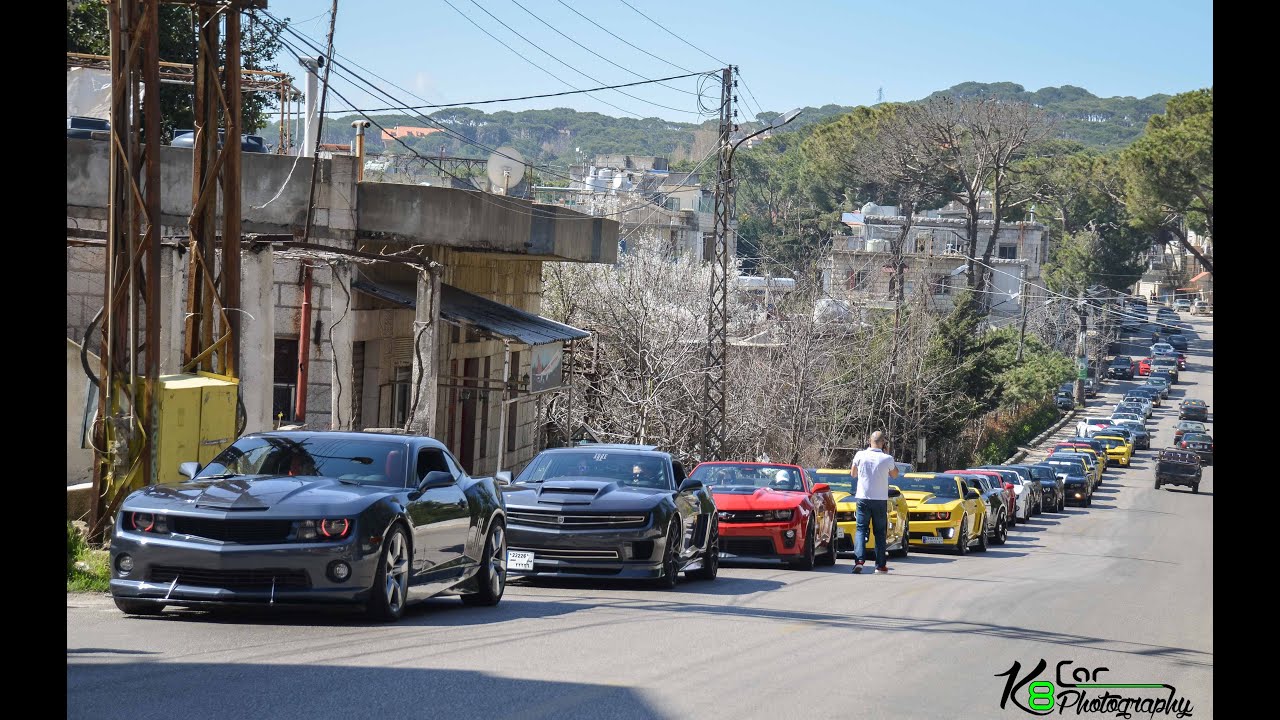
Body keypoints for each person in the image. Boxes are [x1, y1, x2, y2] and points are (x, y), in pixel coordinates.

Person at [849, 431, 899, 574]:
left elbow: (853, 474)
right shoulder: (887, 458)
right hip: (880, 500)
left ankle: (859, 561)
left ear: (869, 441)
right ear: (883, 443)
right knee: (879, 532)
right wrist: (888, 456)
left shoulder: (860, 455)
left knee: (860, 529)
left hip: (863, 498)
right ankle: (880, 565)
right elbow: (895, 475)